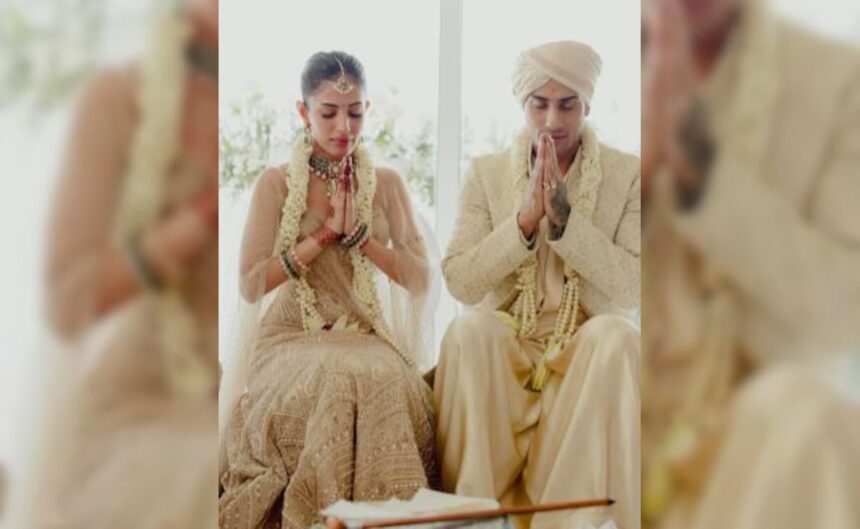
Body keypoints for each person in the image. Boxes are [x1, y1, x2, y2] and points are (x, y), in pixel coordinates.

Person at [641, 0, 860, 527]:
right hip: (617, 406)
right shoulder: (591, 85)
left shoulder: (837, 80)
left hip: (747, 438)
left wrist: (702, 173)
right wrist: (640, 182)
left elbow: (845, 310)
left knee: (807, 419)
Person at [17, 1, 220, 528]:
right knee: (207, 470)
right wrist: (198, 220)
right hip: (142, 393)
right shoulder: (117, 96)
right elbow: (67, 301)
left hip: (236, 383)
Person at [218, 50, 438, 529]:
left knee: (385, 378)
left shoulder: (387, 185)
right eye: (329, 112)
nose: (344, 127)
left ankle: (387, 520)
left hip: (363, 331)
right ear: (303, 112)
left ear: (367, 109)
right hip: (291, 336)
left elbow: (421, 277)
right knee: (338, 376)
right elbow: (251, 284)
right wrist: (323, 237)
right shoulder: (276, 184)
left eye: (355, 112)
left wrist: (362, 238)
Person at [435, 41, 641, 529]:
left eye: (567, 105)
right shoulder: (486, 174)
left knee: (618, 337)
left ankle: (576, 521)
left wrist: (567, 223)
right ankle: (477, 518)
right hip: (508, 344)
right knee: (468, 332)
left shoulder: (628, 175)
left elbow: (632, 287)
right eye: (539, 104)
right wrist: (523, 223)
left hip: (582, 347)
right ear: (521, 104)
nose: (552, 120)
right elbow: (461, 281)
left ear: (587, 105)